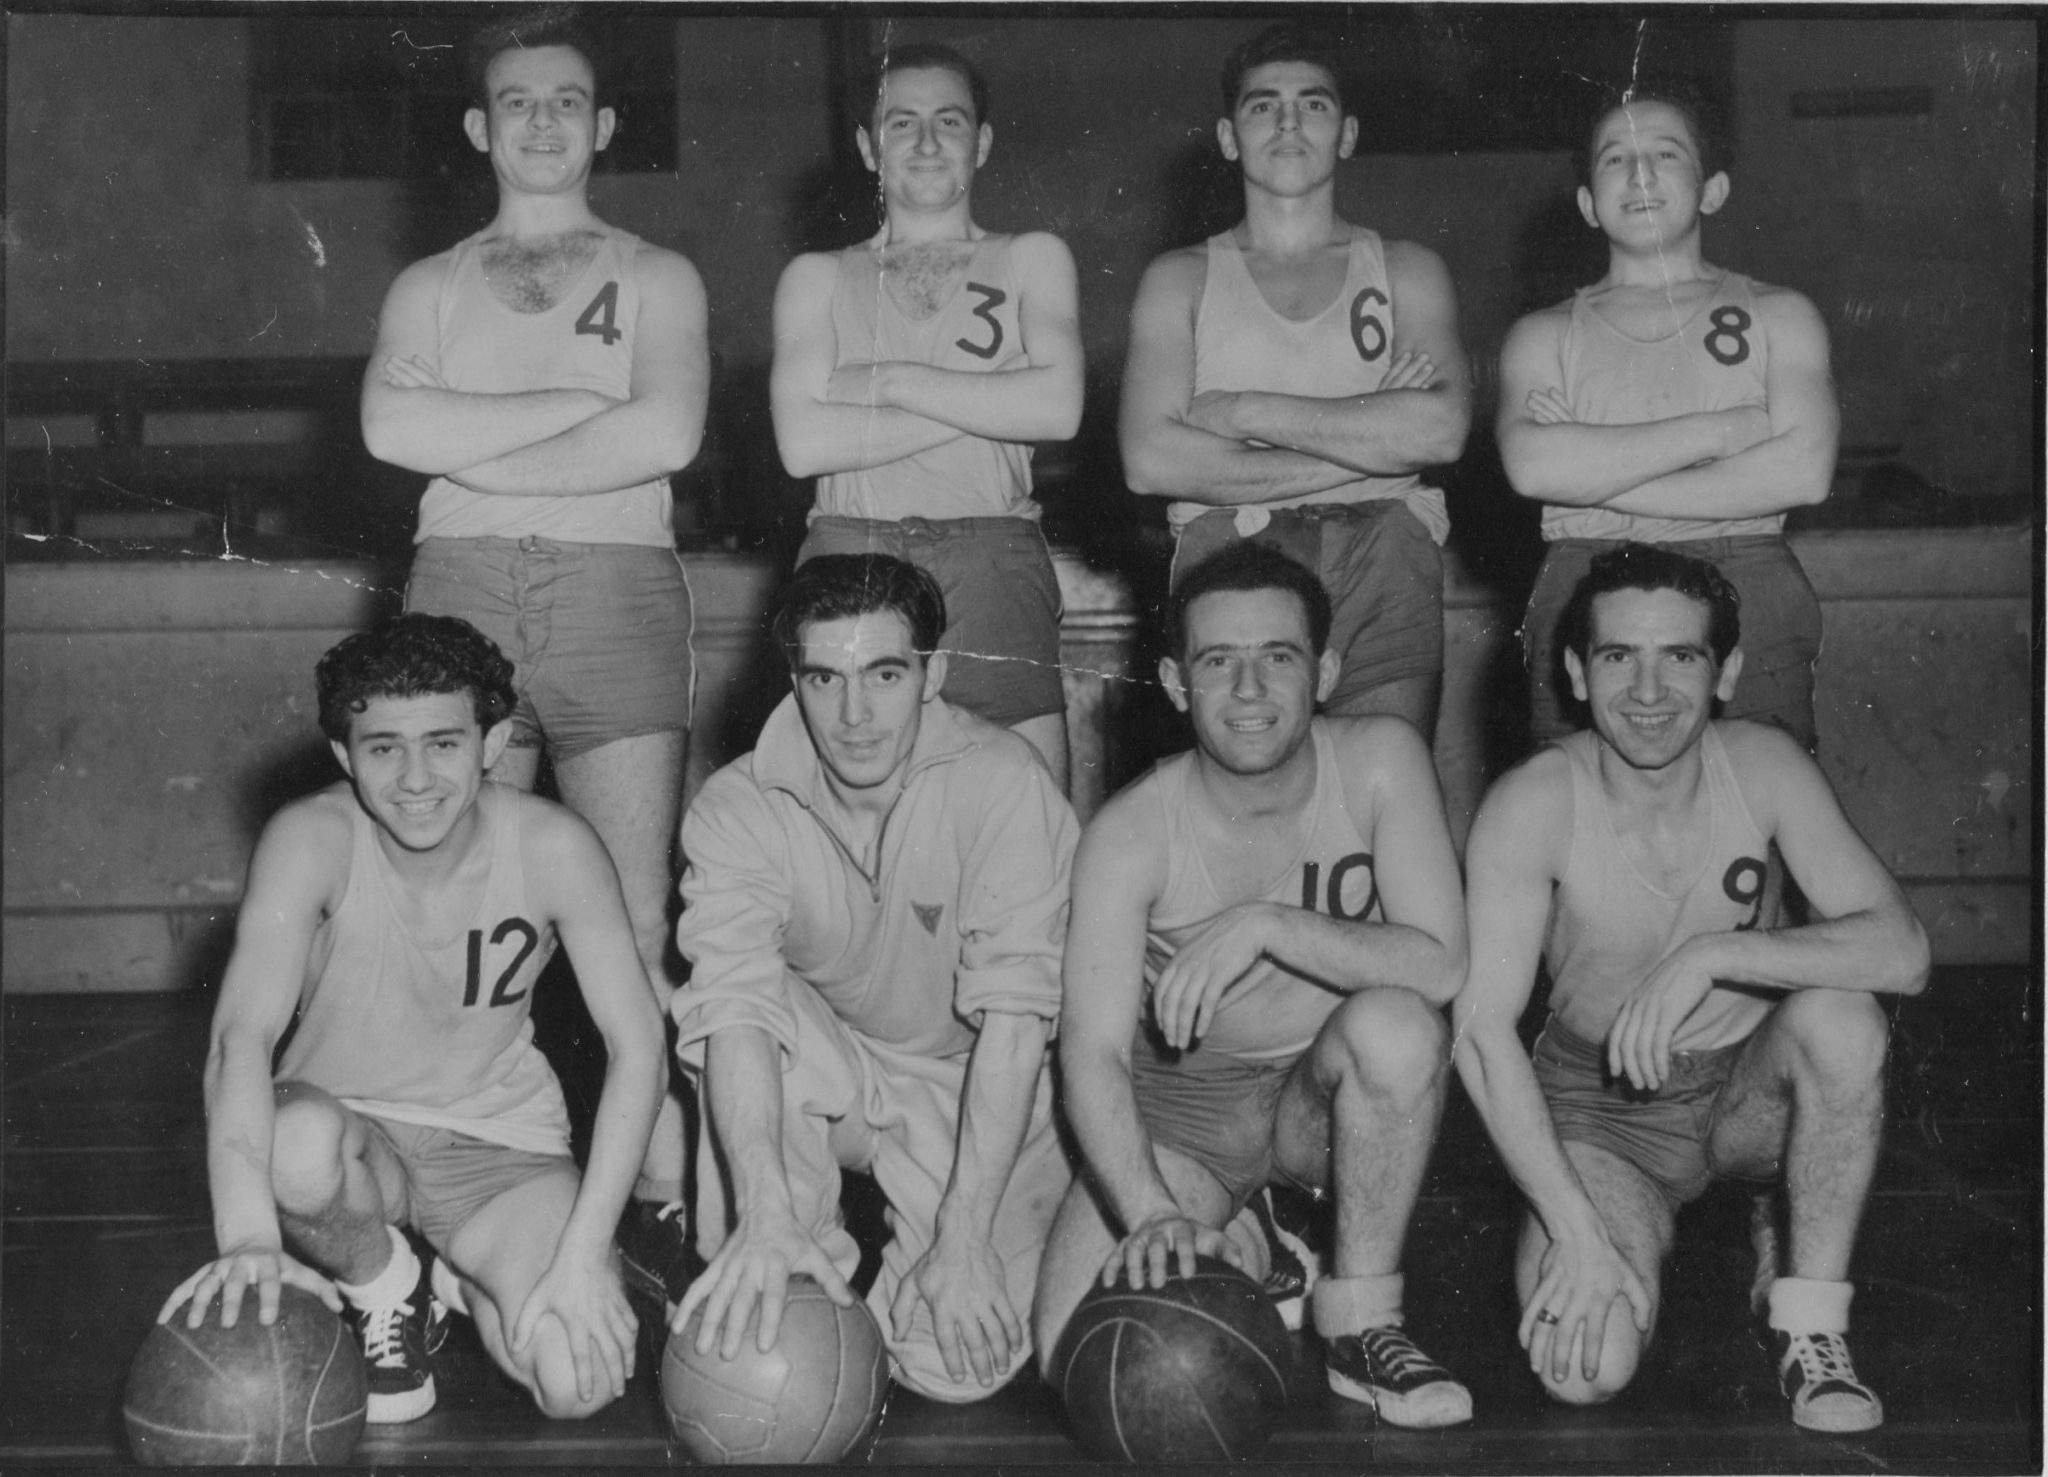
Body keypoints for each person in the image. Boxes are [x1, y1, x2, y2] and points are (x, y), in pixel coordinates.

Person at [358, 8, 709, 1306]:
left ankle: (669, 1184)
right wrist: (578, 410)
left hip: (617, 590)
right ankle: (450, 1190)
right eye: (519, 101)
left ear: (603, 124)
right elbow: (392, 430)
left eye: (569, 100)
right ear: (478, 126)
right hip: (462, 596)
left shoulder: (660, 275)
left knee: (637, 912)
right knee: (458, 909)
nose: (544, 121)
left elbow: (665, 431)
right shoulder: (427, 286)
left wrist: (477, 436)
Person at [1451, 544, 1928, 1433]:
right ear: (1574, 673)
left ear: (1728, 671)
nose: (1648, 689)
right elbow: (1480, 1037)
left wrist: (1711, 956)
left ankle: (1810, 1321)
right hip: (1604, 1113)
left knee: (1843, 1020)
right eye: (1617, 656)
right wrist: (1579, 1234)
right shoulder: (1534, 800)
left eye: (1681, 656)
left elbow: (1902, 948)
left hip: (1746, 1089)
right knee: (1586, 1369)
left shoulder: (1765, 764)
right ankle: (1735, 1216)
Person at [156, 614, 666, 1425]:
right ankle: (386, 1285)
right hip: (351, 1133)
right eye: (384, 746)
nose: (415, 776)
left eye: (444, 742)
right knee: (295, 1145)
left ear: (492, 744)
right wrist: (249, 1236)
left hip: (498, 1144)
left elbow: (638, 1047)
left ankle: (458, 1279)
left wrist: (581, 1253)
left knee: (578, 1382)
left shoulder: (555, 845)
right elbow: (238, 1038)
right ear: (343, 754)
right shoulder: (309, 838)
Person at [1032, 542, 1473, 1428]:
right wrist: (1152, 1213)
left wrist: (1268, 924)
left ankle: (1362, 1322)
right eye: (1217, 661)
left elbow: (1443, 963)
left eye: (1278, 656)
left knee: (1400, 1026)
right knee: (1079, 1359)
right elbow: (1092, 1048)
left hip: (1321, 1095)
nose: (1248, 689)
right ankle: (1254, 1233)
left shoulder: (1382, 759)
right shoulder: (1130, 831)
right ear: (1172, 680)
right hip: (1186, 1114)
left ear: (1328, 670)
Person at [669, 554, 1077, 1401]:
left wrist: (963, 1235)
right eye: (825, 678)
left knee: (954, 1368)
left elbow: (1016, 1023)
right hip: (835, 1059)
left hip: (970, 1078)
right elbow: (736, 1011)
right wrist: (764, 1207)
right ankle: (792, 1247)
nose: (853, 715)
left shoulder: (1006, 785)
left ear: (936, 675)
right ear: (793, 679)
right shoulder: (738, 804)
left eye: (884, 674)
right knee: (738, 1022)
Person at [1118, 23, 1470, 740]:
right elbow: (1151, 460)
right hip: (1232, 555)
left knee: (1386, 779)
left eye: (1311, 104)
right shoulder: (1181, 278)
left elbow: (1440, 429)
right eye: (1261, 106)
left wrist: (1244, 410)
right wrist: (1368, 440)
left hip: (1386, 552)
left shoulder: (1407, 269)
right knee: (1247, 804)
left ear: (1346, 133)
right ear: (1226, 135)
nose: (1286, 121)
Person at [769, 42, 1084, 788]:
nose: (927, 141)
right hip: (852, 552)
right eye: (902, 123)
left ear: (982, 143)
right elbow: (804, 445)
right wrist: (996, 394)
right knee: (848, 823)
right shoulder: (818, 276)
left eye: (949, 121)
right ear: (868, 149)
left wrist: (886, 379)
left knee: (1026, 814)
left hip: (993, 550)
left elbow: (1058, 409)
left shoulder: (1032, 257)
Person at [1499, 87, 1839, 750]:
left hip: (1747, 580)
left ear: (1712, 189)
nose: (1641, 174)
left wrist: (1589, 476)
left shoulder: (1779, 313)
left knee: (1760, 807)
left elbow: (1804, 473)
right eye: (1615, 159)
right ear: (1587, 203)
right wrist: (1720, 432)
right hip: (1586, 582)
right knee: (1581, 822)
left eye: (1666, 153)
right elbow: (1532, 465)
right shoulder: (1543, 335)